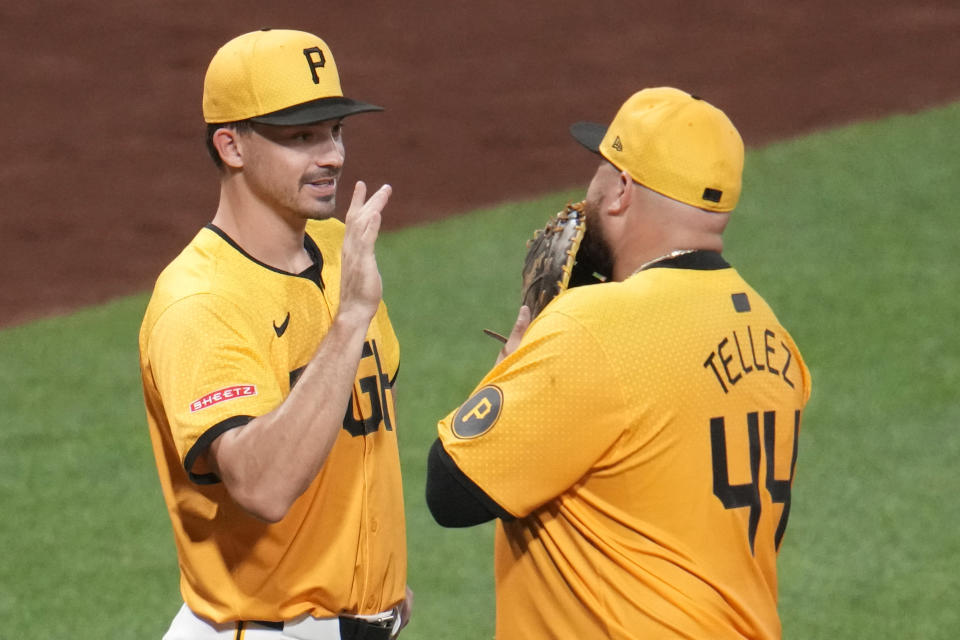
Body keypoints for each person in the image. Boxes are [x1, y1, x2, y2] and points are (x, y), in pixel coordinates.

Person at [426, 87, 812, 639]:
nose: (587, 194)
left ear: (622, 191)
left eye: (601, 170)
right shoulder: (773, 337)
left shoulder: (595, 324)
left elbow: (451, 489)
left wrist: (513, 363)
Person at [139, 29, 412, 640]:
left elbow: (359, 436)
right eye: (300, 138)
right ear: (231, 146)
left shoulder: (342, 249)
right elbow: (261, 486)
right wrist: (348, 322)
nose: (333, 156)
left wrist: (373, 580)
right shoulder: (202, 301)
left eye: (335, 131)